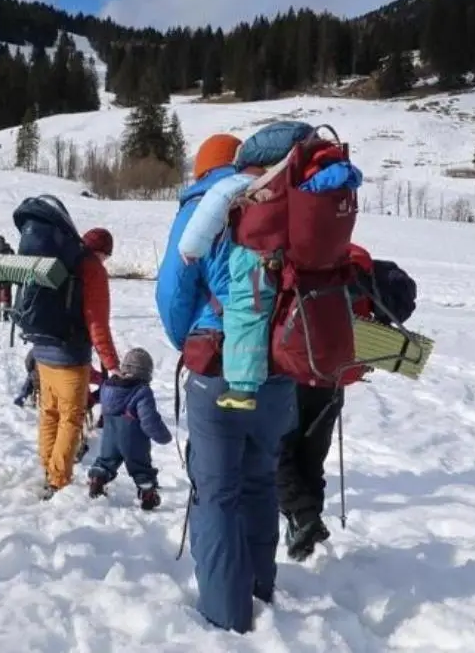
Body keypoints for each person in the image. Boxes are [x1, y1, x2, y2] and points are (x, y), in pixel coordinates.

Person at [155, 133, 297, 634]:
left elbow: (173, 291)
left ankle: (225, 615)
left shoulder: (204, 207)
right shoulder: (287, 199)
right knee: (260, 481)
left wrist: (190, 343)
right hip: (280, 372)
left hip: (218, 368)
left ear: (203, 171)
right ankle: (260, 590)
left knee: (216, 493)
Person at [177, 123, 363, 411]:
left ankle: (242, 388)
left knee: (245, 314)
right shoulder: (307, 176)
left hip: (254, 256)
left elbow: (210, 210)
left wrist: (191, 249)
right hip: (294, 261)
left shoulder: (246, 179)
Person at [279, 243, 418, 561]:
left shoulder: (296, 256)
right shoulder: (358, 264)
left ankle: (302, 518)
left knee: (279, 452)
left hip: (293, 373)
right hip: (334, 376)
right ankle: (306, 523)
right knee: (311, 456)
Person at [33, 227, 120, 499]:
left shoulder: (61, 260)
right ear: (103, 252)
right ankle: (57, 481)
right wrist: (112, 364)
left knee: (49, 412)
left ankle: (49, 468)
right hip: (70, 356)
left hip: (42, 349)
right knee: (71, 418)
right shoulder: (92, 268)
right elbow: (97, 323)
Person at [87, 347, 172, 510]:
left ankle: (97, 480)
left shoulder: (108, 385)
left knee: (105, 462)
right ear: (147, 373)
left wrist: (88, 401)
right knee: (141, 467)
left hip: (110, 437)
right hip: (134, 440)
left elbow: (96, 396)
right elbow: (149, 420)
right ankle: (147, 493)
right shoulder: (141, 391)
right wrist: (163, 436)